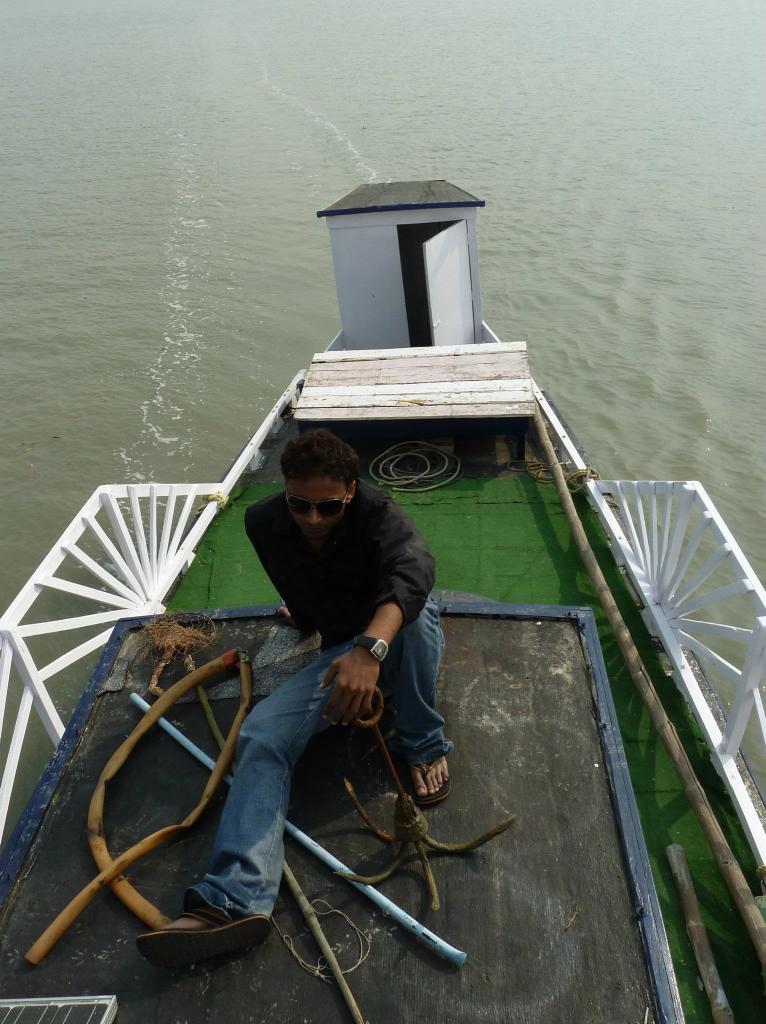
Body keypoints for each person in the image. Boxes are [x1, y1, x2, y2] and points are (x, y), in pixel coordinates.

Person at [137, 428, 452, 968]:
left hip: (391, 635)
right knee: (261, 734)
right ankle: (235, 899)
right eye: (299, 504)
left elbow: (414, 571)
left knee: (418, 621)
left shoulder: (378, 512)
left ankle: (422, 741)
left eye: (328, 507)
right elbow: (295, 581)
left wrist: (370, 652)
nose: (313, 518)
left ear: (350, 491)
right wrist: (307, 621)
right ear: (284, 490)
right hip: (339, 652)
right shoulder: (263, 521)